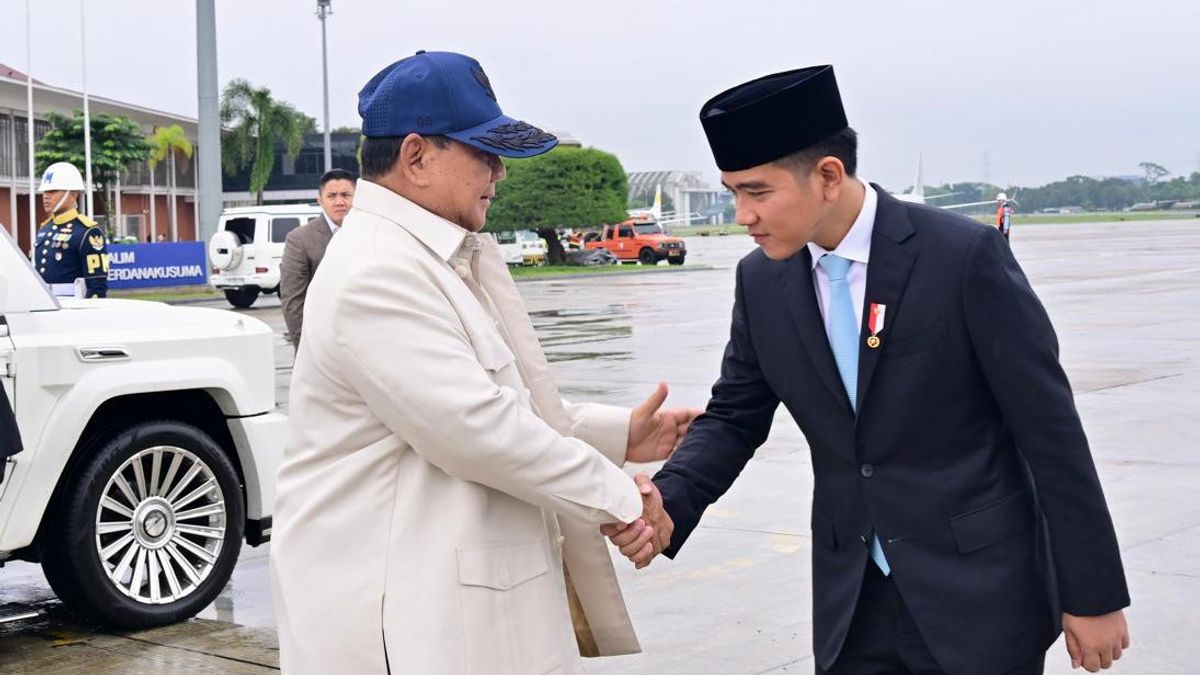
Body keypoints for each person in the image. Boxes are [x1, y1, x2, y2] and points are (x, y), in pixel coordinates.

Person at [604, 65, 1130, 675]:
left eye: (757, 191)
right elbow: (735, 417)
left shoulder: (961, 259)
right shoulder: (762, 280)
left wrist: (1093, 595)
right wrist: (669, 499)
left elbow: (1051, 433)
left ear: (828, 176)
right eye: (732, 193)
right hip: (853, 601)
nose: (742, 214)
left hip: (979, 595)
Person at [270, 50, 698, 675]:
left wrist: (620, 435)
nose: (498, 172)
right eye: (483, 153)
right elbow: (478, 429)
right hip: (403, 626)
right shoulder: (376, 272)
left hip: (447, 612)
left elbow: (496, 400)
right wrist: (624, 500)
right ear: (416, 157)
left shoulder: (429, 255)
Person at [280, 168, 356, 349]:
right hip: (321, 345)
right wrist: (306, 348)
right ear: (320, 200)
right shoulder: (300, 240)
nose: (339, 202)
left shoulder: (370, 233)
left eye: (346, 195)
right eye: (332, 196)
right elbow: (293, 302)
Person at [32, 162, 109, 297]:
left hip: (72, 306)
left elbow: (97, 285)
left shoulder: (87, 231)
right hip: (45, 305)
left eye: (53, 191)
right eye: (45, 191)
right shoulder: (45, 228)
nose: (46, 196)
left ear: (73, 194)